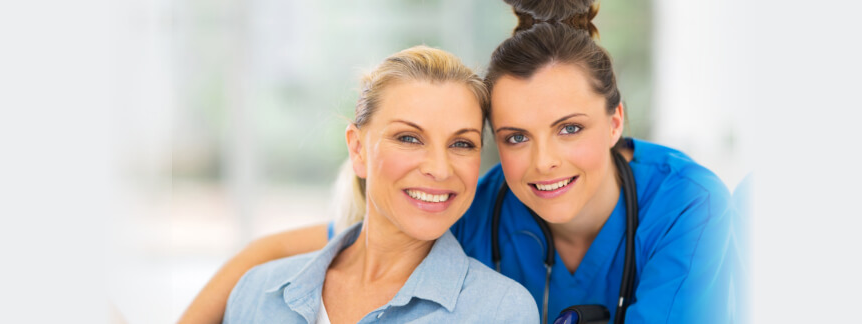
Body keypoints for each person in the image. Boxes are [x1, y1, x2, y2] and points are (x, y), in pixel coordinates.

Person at [182, 0, 741, 322]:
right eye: (517, 137)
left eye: (570, 128)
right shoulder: (476, 203)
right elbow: (302, 248)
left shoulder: (687, 206)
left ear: (616, 122)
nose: (544, 162)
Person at [221, 46, 538, 324]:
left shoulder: (499, 310)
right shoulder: (256, 294)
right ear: (358, 149)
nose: (440, 169)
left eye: (462, 143)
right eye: (409, 138)